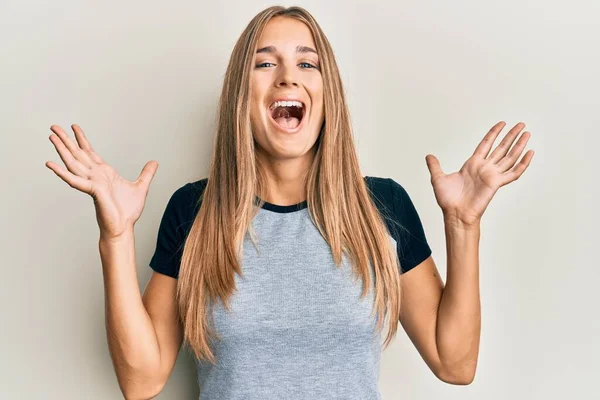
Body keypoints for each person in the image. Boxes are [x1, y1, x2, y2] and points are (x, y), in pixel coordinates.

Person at [45, 5, 534, 400]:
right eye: (265, 62)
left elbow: (456, 363)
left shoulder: (381, 206)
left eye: (306, 62)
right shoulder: (195, 212)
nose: (287, 77)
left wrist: (463, 225)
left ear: (327, 92)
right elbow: (142, 380)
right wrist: (115, 237)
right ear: (243, 92)